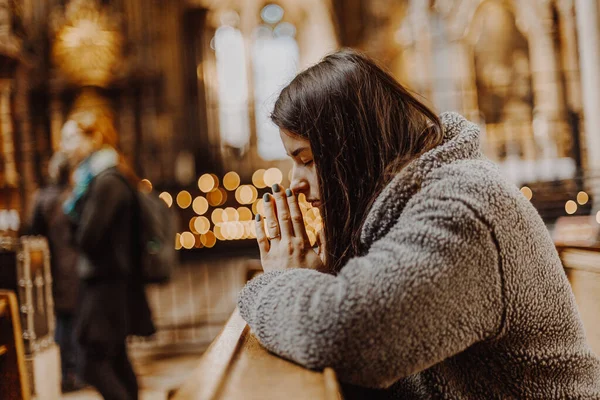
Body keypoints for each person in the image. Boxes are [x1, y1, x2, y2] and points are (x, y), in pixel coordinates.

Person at [238, 49, 600, 398]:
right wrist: (324, 279)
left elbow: (352, 335)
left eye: (308, 159)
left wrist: (278, 283)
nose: (295, 183)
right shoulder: (413, 202)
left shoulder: (463, 206)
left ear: (353, 150)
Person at [60, 108, 155, 400]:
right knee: (114, 358)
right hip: (108, 281)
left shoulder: (106, 182)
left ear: (94, 138)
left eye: (71, 137)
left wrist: (73, 224)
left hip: (108, 283)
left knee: (92, 362)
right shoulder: (98, 179)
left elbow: (89, 237)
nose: (64, 145)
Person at [29, 152, 83, 393]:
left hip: (54, 265)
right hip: (74, 265)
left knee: (64, 320)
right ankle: (74, 371)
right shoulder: (72, 197)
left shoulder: (42, 198)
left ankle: (67, 371)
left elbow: (31, 231)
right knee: (73, 320)